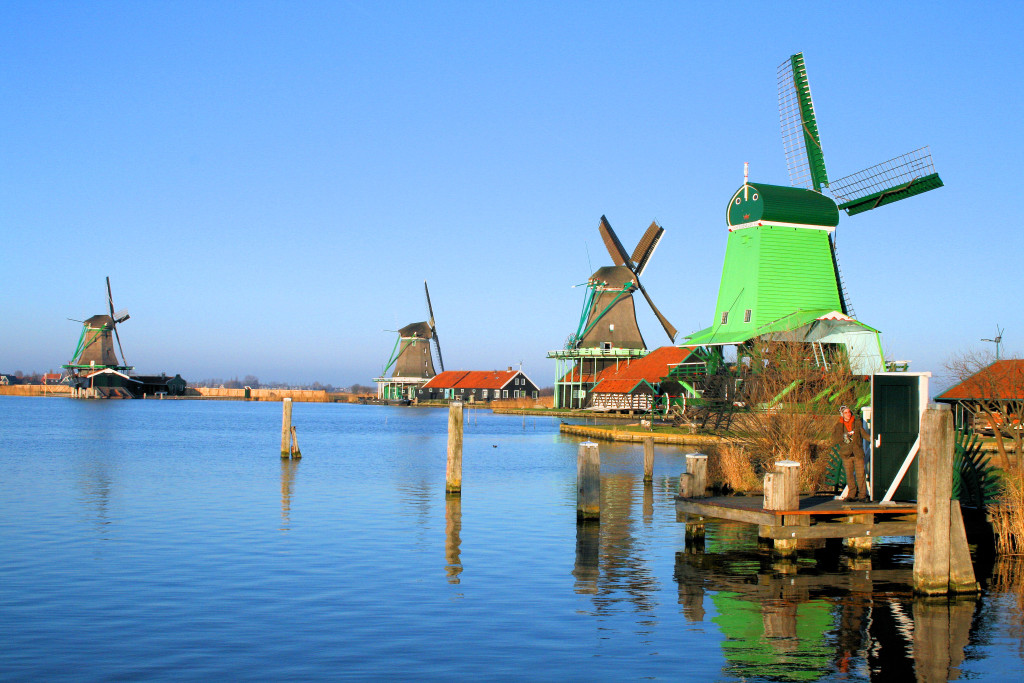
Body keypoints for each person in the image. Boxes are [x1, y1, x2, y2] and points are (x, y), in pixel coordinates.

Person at [834, 405, 870, 501]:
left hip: (857, 453)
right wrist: (845, 436)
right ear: (842, 414)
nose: (848, 414)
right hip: (846, 454)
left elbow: (863, 433)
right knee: (849, 475)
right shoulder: (839, 426)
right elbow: (835, 439)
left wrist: (871, 439)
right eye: (846, 413)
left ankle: (862, 495)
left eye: (849, 412)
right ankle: (851, 494)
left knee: (860, 474)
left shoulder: (857, 423)